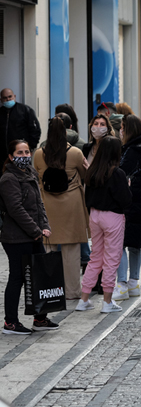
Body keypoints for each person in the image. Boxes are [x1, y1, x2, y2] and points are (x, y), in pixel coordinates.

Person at [1, 140, 58, 334]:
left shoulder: (31, 173)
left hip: (33, 235)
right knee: (17, 277)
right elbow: (15, 209)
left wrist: (45, 226)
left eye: (27, 152)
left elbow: (39, 204)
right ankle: (10, 322)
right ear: (10, 156)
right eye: (20, 152)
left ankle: (40, 318)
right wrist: (36, 230)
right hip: (16, 238)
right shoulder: (8, 179)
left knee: (38, 275)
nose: (25, 155)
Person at [33, 117, 90, 300]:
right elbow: (84, 177)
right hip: (71, 205)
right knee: (72, 251)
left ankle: (49, 290)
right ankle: (72, 291)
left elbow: (35, 177)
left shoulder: (38, 154)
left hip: (47, 204)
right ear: (66, 132)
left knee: (48, 248)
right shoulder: (75, 153)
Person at [76, 136, 132, 314]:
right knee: (111, 259)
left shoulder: (92, 171)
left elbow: (87, 196)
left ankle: (84, 299)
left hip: (95, 215)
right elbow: (126, 200)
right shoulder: (117, 173)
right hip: (112, 217)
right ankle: (107, 301)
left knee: (95, 257)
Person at [112, 115, 141, 301]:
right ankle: (134, 283)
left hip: (129, 202)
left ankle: (122, 284)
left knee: (121, 243)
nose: (120, 130)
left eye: (122, 127)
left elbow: (121, 174)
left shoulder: (130, 151)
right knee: (135, 244)